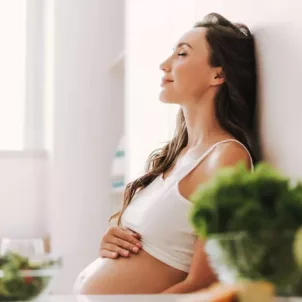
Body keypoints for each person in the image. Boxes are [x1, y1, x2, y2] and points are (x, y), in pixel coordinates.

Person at [73, 12, 258, 294]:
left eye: (181, 54)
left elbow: (206, 284)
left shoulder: (226, 158)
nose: (164, 65)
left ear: (218, 74)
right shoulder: (177, 157)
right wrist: (111, 244)